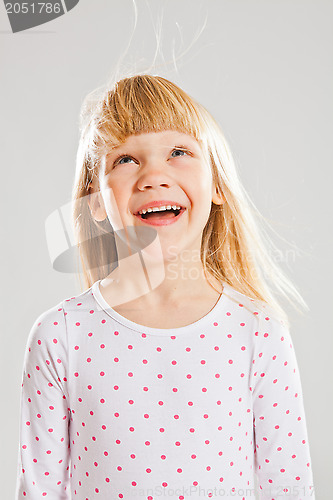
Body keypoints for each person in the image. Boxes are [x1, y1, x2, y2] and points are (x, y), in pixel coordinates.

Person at [15, 74, 316, 499]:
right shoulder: (61, 336)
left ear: (216, 185)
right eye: (125, 160)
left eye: (178, 152)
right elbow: (39, 490)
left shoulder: (258, 331)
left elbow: (289, 488)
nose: (154, 176)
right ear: (96, 201)